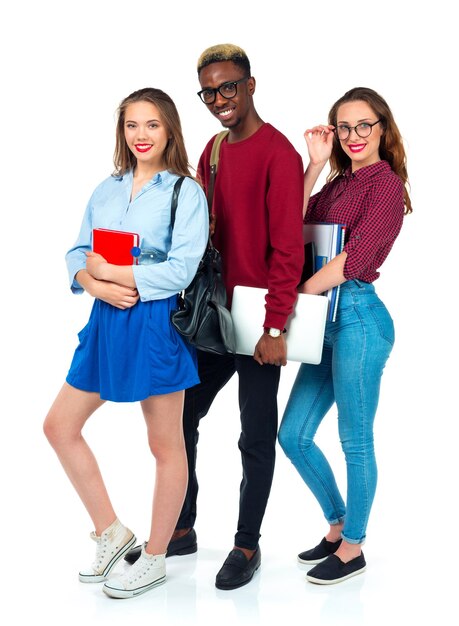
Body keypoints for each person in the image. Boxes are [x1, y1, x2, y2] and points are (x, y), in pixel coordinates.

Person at [125, 43, 304, 589]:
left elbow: (287, 250)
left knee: (255, 434)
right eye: (208, 92)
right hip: (212, 315)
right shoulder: (213, 149)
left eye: (229, 87)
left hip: (258, 319)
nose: (219, 100)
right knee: (182, 419)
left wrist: (275, 327)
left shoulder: (279, 154)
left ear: (251, 85)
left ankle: (246, 544)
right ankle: (182, 528)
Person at [43, 87, 208, 599]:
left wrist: (114, 272)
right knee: (59, 426)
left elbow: (183, 267)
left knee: (165, 444)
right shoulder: (106, 189)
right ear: (123, 131)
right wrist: (93, 283)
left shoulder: (185, 191)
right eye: (132, 125)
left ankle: (155, 557)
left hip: (155, 322)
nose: (141, 135)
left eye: (152, 125)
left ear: (169, 131)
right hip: (104, 321)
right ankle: (112, 533)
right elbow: (76, 251)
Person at [278, 87, 412, 584]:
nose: (354, 136)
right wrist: (313, 165)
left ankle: (353, 546)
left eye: (364, 126)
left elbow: (356, 258)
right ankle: (337, 525)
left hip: (358, 319)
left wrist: (301, 294)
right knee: (291, 436)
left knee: (355, 439)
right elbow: (289, 226)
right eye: (345, 127)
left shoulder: (386, 185)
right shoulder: (335, 185)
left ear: (382, 129)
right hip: (324, 321)